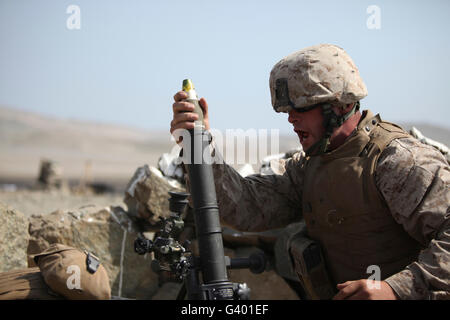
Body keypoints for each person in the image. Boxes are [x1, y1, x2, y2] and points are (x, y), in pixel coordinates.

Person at [170, 44, 449, 300]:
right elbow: (243, 205)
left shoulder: (397, 161)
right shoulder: (308, 166)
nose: (291, 118)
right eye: (286, 110)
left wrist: (395, 289)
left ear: (341, 104)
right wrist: (196, 145)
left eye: (300, 107)